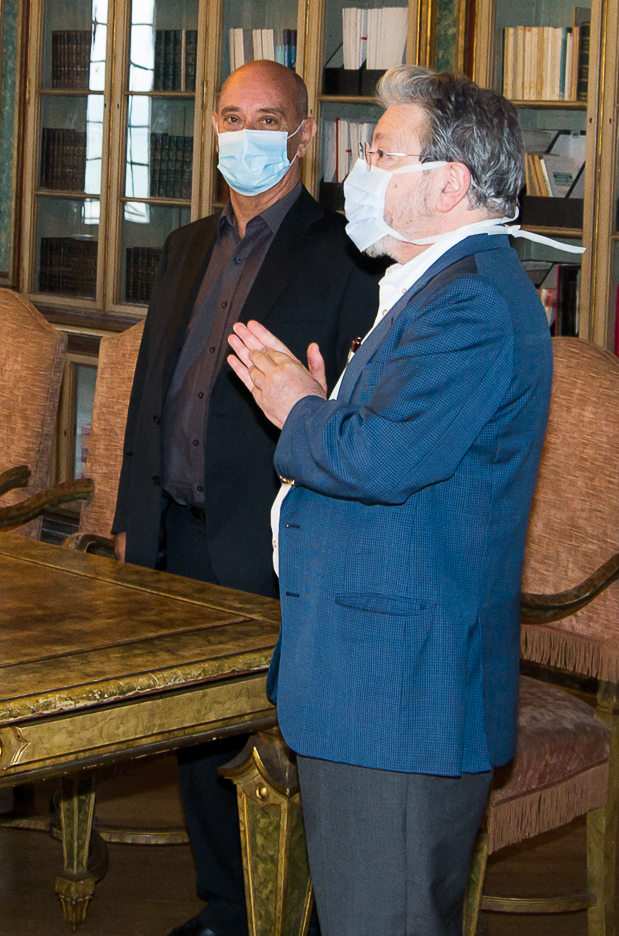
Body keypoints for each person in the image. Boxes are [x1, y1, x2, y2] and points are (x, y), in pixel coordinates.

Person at [224, 65, 560, 936]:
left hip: (401, 696)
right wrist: (325, 409)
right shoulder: (439, 285)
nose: (358, 172)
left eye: (380, 154)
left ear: (449, 184)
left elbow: (381, 459)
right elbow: (394, 442)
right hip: (372, 680)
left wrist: (298, 408)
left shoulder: (472, 302)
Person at [110, 59, 382, 936]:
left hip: (272, 540)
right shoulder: (184, 246)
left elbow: (352, 412)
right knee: (197, 739)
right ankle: (227, 905)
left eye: (268, 120)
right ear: (213, 130)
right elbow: (151, 393)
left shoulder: (346, 253)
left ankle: (294, 912)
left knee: (279, 745)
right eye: (233, 117)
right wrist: (131, 519)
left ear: (303, 137)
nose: (247, 135)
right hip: (177, 527)